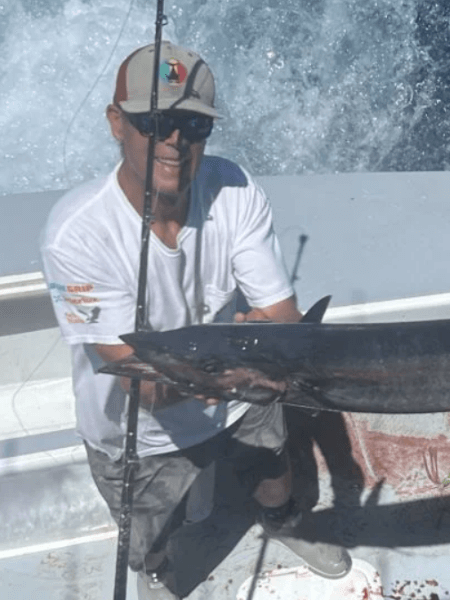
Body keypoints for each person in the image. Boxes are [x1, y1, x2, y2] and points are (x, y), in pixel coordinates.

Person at [40, 41, 351, 599]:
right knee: (150, 540)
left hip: (240, 391)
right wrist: (246, 359)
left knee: (276, 470)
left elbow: (283, 318)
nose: (174, 140)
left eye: (192, 124)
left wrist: (231, 370)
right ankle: (158, 574)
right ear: (117, 122)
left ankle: (283, 525)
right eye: (153, 122)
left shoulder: (234, 188)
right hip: (140, 434)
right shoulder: (75, 234)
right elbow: (136, 383)